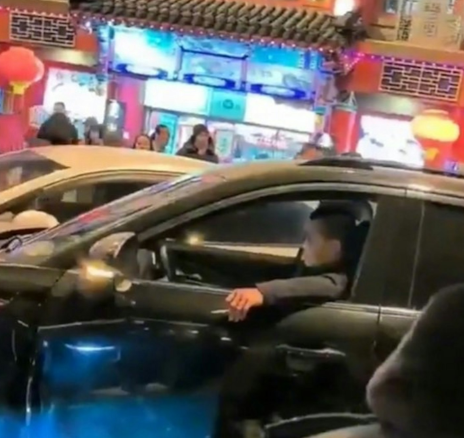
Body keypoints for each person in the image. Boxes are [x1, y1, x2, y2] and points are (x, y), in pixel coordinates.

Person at [226, 204, 357, 322]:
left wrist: (263, 293)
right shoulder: (314, 268)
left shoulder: (339, 280)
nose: (303, 246)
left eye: (310, 240)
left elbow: (323, 285)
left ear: (333, 248)